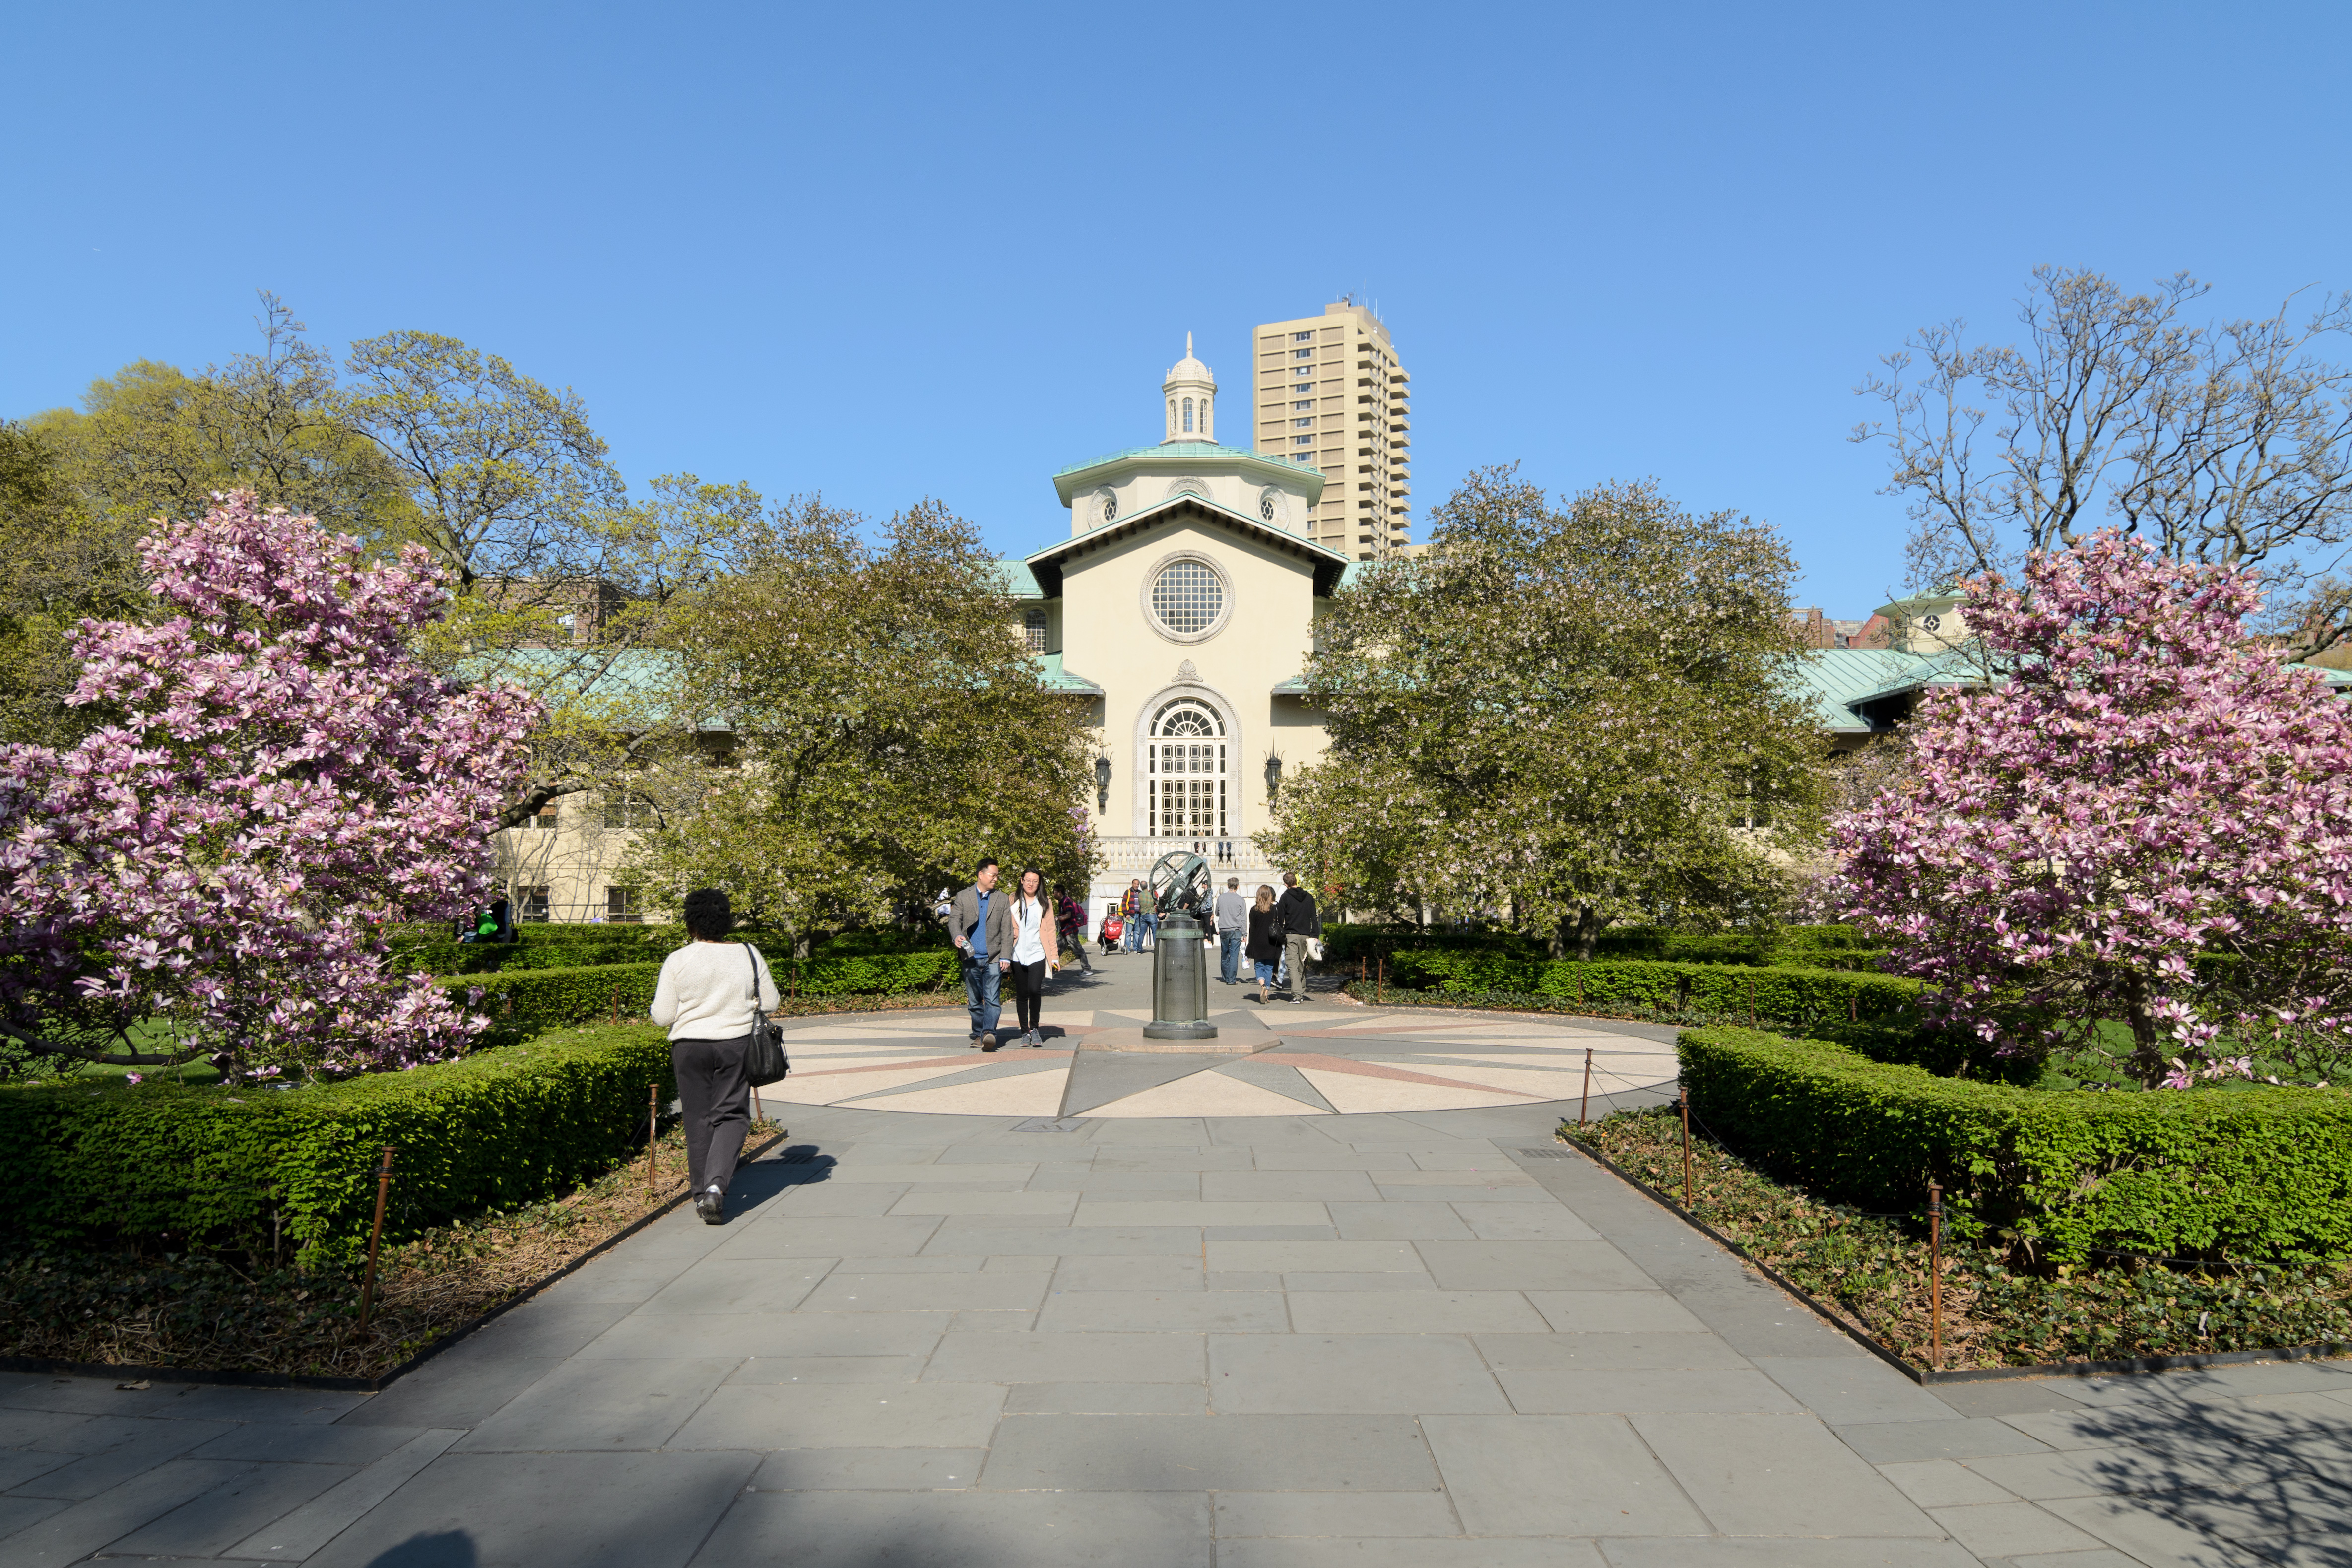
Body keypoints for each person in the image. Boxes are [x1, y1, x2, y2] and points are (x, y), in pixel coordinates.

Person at [648, 888, 779, 1225]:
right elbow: (771, 1004)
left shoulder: (678, 959)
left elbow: (663, 1016)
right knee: (732, 1116)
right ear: (727, 922)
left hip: (688, 1047)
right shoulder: (749, 954)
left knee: (697, 1119)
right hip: (734, 1044)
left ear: (691, 923)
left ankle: (700, 1194)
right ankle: (716, 1189)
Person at [949, 858, 1015, 1049]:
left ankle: (989, 1033)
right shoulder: (963, 896)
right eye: (993, 875)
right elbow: (954, 921)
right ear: (981, 875)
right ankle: (979, 1033)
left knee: (993, 1000)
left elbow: (1007, 929)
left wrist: (1006, 956)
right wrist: (957, 936)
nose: (996, 879)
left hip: (994, 958)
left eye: (997, 876)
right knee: (975, 1002)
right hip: (970, 958)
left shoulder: (1001, 898)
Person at [1006, 867, 1058, 1046]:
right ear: (1022, 880)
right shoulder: (1012, 900)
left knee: (1034, 991)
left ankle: (1034, 1028)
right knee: (1021, 994)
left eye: (1035, 881)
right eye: (1028, 880)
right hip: (1017, 953)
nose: (1031, 884)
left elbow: (1051, 930)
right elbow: (1004, 925)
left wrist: (1054, 957)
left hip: (1038, 953)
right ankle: (1024, 1032)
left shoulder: (1045, 902)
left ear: (1039, 883)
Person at [1275, 871, 1322, 1004]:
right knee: (1301, 964)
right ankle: (1300, 989)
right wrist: (1315, 935)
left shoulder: (1285, 897)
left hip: (1291, 935)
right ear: (1296, 881)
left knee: (1292, 964)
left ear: (1286, 884)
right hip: (1306, 936)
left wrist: (1282, 931)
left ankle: (1297, 995)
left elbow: (1280, 917)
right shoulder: (1309, 897)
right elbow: (1314, 917)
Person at [1244, 884, 1283, 1003]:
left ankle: (1263, 986)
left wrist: (1250, 945)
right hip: (1272, 943)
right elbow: (1280, 926)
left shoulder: (1254, 910)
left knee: (1259, 966)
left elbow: (1252, 929)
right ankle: (1266, 993)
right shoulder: (1276, 910)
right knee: (1269, 968)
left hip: (1258, 942)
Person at [1214, 876, 1247, 985]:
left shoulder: (1221, 898)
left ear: (1228, 886)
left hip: (1224, 929)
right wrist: (1245, 934)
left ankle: (1225, 976)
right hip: (1236, 930)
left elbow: (1217, 913)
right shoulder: (1241, 900)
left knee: (1224, 954)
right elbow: (1243, 919)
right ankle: (1231, 979)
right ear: (1237, 887)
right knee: (1234, 955)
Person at [1055, 887, 1093, 973]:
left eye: (1055, 892)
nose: (1053, 894)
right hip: (1065, 930)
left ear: (1060, 892)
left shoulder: (1067, 901)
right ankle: (1052, 968)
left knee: (1078, 949)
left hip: (1070, 930)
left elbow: (1068, 915)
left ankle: (1087, 969)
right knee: (1057, 949)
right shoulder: (1062, 902)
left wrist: (1058, 918)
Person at [1119, 879, 1146, 952]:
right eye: (1135, 884)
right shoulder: (1128, 892)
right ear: (1132, 884)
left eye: (1138, 884)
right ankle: (1127, 948)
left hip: (1139, 915)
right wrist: (1127, 914)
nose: (1136, 885)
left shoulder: (1140, 893)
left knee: (1137, 933)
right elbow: (1124, 903)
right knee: (1128, 933)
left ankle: (1136, 948)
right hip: (1130, 916)